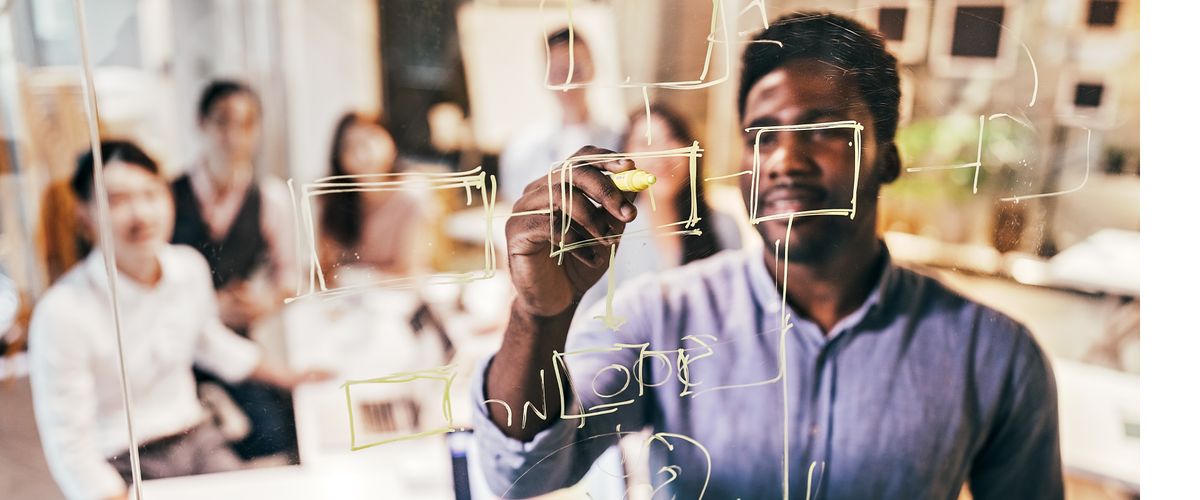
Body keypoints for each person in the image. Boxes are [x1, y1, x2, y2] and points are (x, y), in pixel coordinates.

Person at [475, 12, 1062, 499]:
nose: (783, 160)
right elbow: (519, 472)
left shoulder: (992, 355)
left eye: (824, 128)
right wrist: (537, 315)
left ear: (887, 158)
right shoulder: (661, 316)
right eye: (763, 136)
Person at [27, 141, 326, 500]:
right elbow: (69, 447)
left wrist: (291, 376)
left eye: (151, 194)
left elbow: (208, 341)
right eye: (117, 201)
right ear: (85, 216)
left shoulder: (187, 267)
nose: (141, 214)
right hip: (124, 462)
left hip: (197, 439)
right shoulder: (62, 312)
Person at [170, 80, 299, 461]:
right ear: (201, 124)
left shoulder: (270, 199)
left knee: (279, 429)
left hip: (237, 342)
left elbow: (288, 274)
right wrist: (210, 308)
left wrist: (265, 302)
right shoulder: (167, 196)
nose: (234, 137)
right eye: (222, 122)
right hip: (176, 346)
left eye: (246, 125)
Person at [573, 105, 742, 322]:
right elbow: (587, 318)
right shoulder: (608, 231)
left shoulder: (724, 224)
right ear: (623, 159)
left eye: (672, 138)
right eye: (646, 143)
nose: (662, 153)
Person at [498, 27, 622, 202]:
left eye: (575, 71)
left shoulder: (620, 139)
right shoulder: (522, 148)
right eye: (559, 73)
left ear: (592, 69)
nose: (568, 83)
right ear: (547, 77)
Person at [318, 112, 434, 283]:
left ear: (390, 141)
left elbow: (409, 269)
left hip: (399, 297)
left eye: (369, 140)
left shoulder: (412, 193)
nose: (361, 153)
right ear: (339, 158)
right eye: (349, 146)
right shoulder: (332, 200)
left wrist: (360, 278)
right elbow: (326, 268)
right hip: (348, 303)